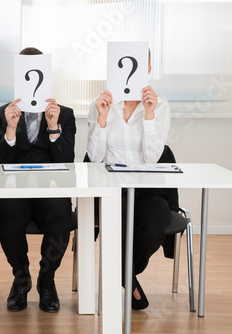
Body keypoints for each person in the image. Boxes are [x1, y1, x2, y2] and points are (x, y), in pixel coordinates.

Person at [0, 47, 76, 313]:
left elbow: (67, 159)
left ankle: (46, 281)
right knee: (8, 215)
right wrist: (11, 130)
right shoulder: (2, 113)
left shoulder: (65, 114)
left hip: (50, 188)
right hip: (14, 188)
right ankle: (21, 277)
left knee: (63, 218)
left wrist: (53, 127)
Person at [86, 50, 170, 310]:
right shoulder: (101, 104)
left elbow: (152, 159)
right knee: (116, 225)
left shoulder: (160, 106)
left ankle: (125, 275)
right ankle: (130, 281)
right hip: (110, 187)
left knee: (155, 227)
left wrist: (149, 115)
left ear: (147, 68)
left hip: (146, 187)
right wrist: (101, 117)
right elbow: (95, 157)